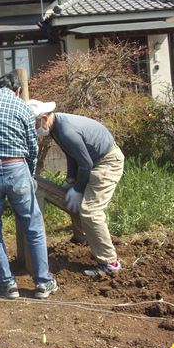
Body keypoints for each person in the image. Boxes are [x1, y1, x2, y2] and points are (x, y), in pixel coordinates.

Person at [0, 71, 57, 299]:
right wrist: (30, 174)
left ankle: (7, 285)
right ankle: (43, 283)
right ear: (18, 90)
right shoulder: (24, 107)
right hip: (17, 168)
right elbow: (32, 147)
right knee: (34, 227)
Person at [28, 100, 124, 277]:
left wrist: (78, 189)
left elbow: (85, 164)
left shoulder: (65, 131)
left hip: (107, 162)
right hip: (94, 162)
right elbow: (72, 155)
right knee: (73, 200)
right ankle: (83, 237)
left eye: (34, 124)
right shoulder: (57, 127)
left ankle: (110, 262)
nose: (35, 128)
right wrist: (71, 181)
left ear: (43, 118)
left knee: (90, 211)